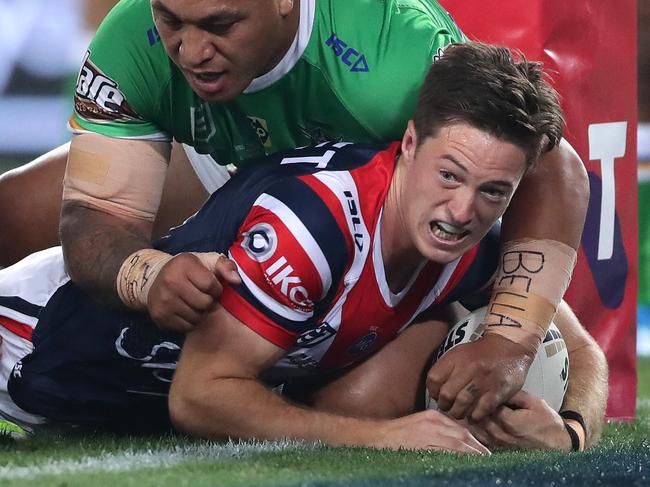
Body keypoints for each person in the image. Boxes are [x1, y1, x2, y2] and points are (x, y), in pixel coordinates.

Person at [0, 0, 590, 423]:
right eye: (171, 19)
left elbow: (551, 167)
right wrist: (144, 273)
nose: (190, 48)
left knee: (378, 392)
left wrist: (511, 342)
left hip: (359, 197)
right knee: (13, 213)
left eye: (219, 24)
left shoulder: (395, 55)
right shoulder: (131, 40)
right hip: (231, 164)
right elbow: (97, 218)